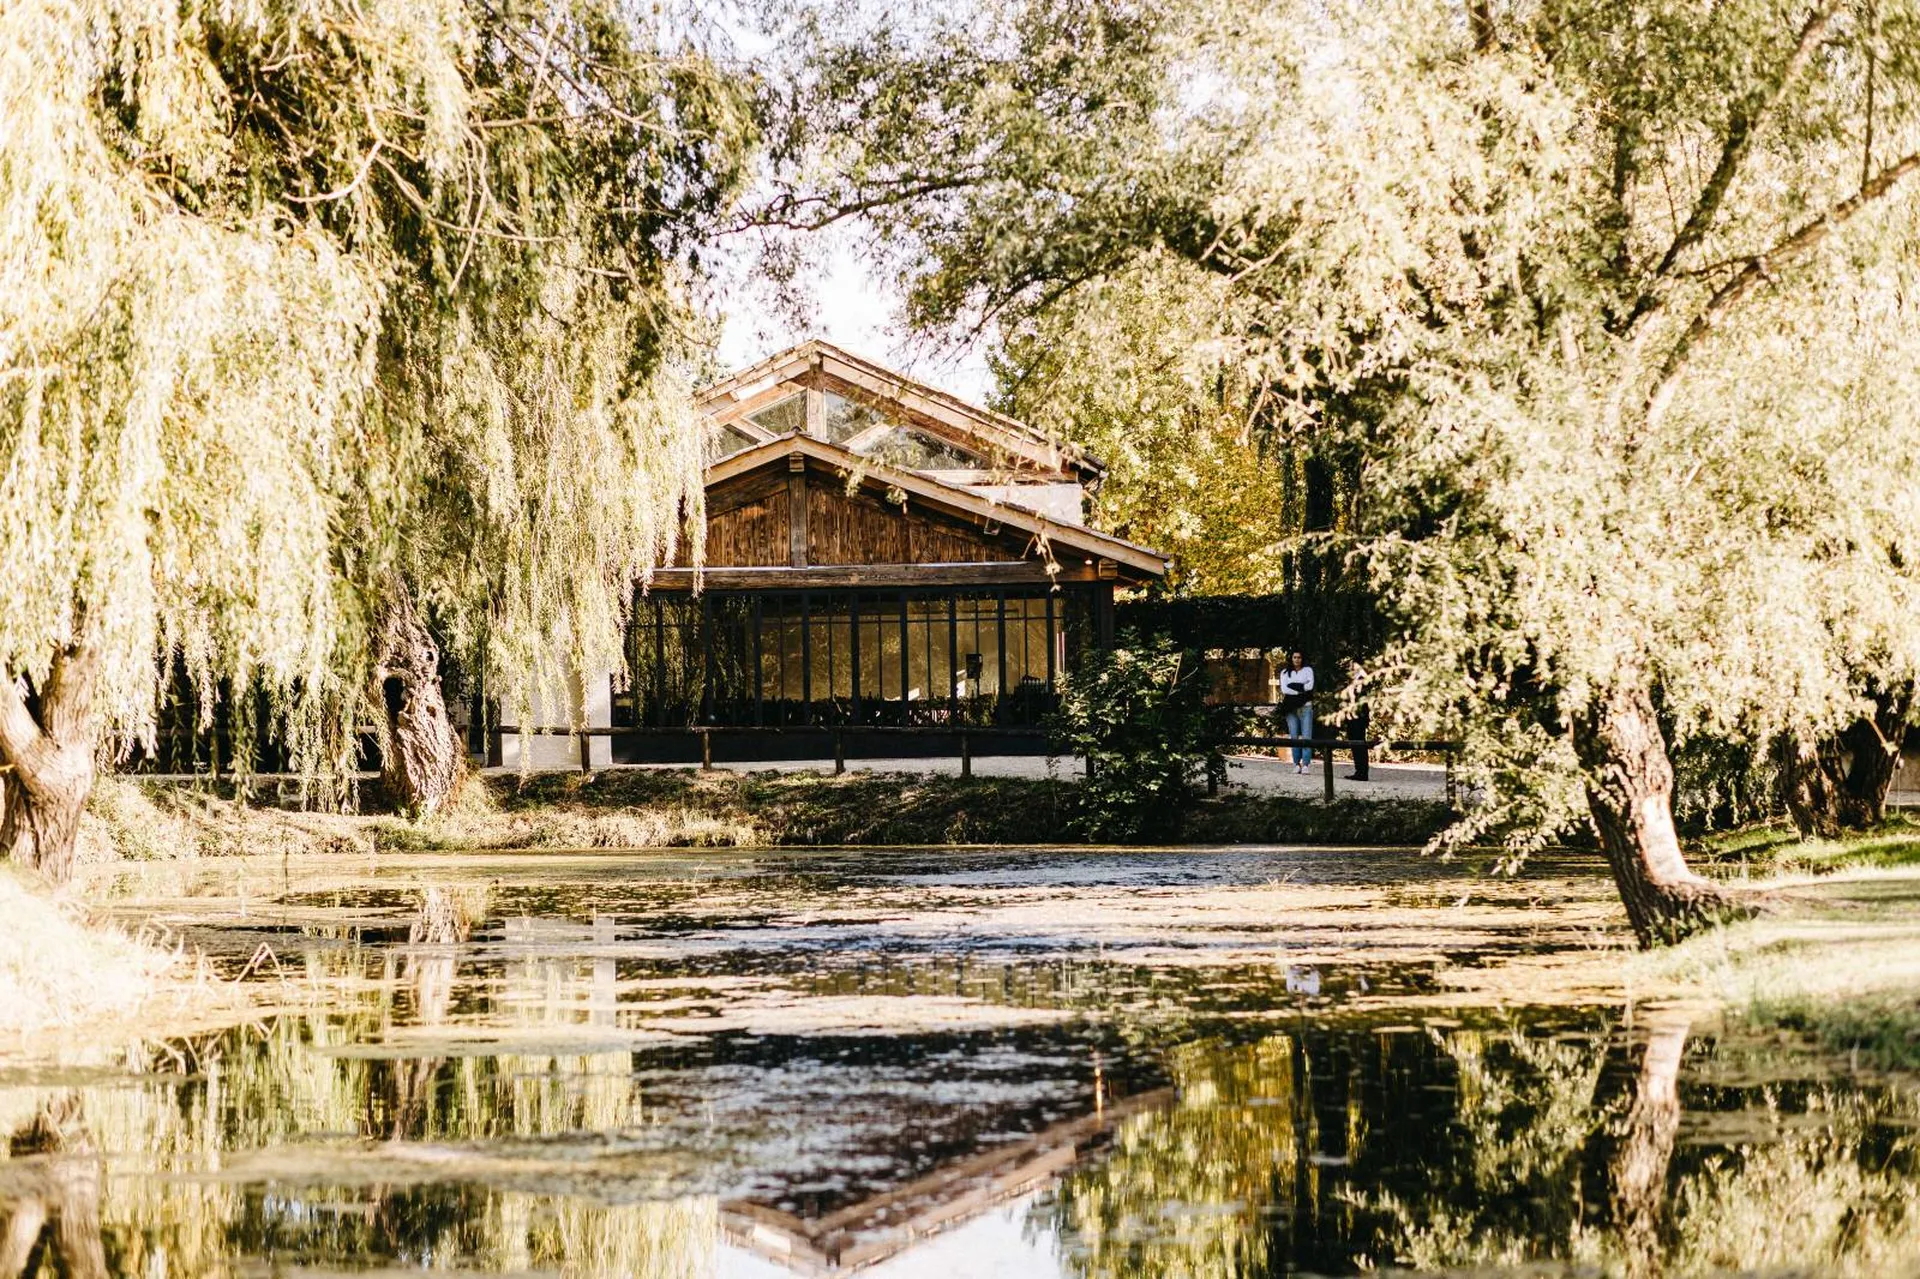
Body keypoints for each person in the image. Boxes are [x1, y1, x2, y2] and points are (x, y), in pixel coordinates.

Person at [1277, 651, 1315, 774]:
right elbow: (1284, 689)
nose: (1297, 659)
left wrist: (1294, 686)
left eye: (1299, 657)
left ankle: (1305, 764)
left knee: (1306, 736)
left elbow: (1310, 687)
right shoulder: (1284, 673)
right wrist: (1301, 691)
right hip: (1290, 707)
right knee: (1294, 736)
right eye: (1294, 657)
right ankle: (1296, 763)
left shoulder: (1308, 670)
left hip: (1306, 706)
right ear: (1291, 658)